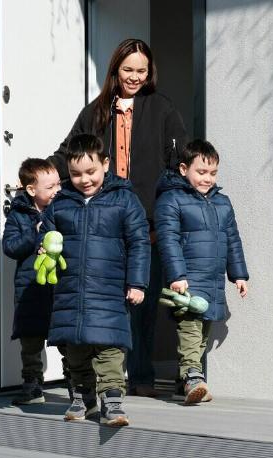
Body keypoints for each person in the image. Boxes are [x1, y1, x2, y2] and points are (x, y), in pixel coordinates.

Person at [50, 38, 186, 397]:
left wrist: (167, 204)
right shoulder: (95, 112)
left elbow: (179, 162)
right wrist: (43, 175)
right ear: (115, 69)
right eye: (128, 69)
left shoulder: (162, 108)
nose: (135, 77)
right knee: (106, 304)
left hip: (147, 226)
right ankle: (103, 380)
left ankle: (140, 378)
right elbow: (68, 153)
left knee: (143, 304)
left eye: (142, 70)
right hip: (104, 222)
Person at [42, 134, 150, 426]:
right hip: (71, 289)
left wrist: (137, 282)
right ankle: (84, 396)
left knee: (109, 347)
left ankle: (112, 400)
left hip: (109, 289)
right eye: (76, 174)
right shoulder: (61, 203)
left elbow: (139, 242)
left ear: (105, 164)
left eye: (90, 172)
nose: (84, 179)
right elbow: (48, 237)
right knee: (75, 347)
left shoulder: (124, 199)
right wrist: (45, 248)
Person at [154, 139, 249, 405]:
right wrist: (176, 276)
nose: (207, 178)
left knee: (202, 333)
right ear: (184, 169)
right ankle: (193, 377)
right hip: (187, 279)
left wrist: (239, 275)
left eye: (213, 173)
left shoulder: (222, 203)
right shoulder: (171, 199)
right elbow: (168, 240)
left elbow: (233, 240)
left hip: (212, 279)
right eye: (201, 172)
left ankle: (184, 381)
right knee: (190, 329)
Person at [2, 158, 63, 405]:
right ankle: (32, 385)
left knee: (66, 338)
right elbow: (10, 247)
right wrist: (33, 233)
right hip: (29, 288)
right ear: (31, 190)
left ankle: (77, 384)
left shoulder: (62, 209)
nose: (57, 190)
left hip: (58, 286)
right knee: (30, 340)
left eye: (58, 184)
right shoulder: (18, 215)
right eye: (50, 187)